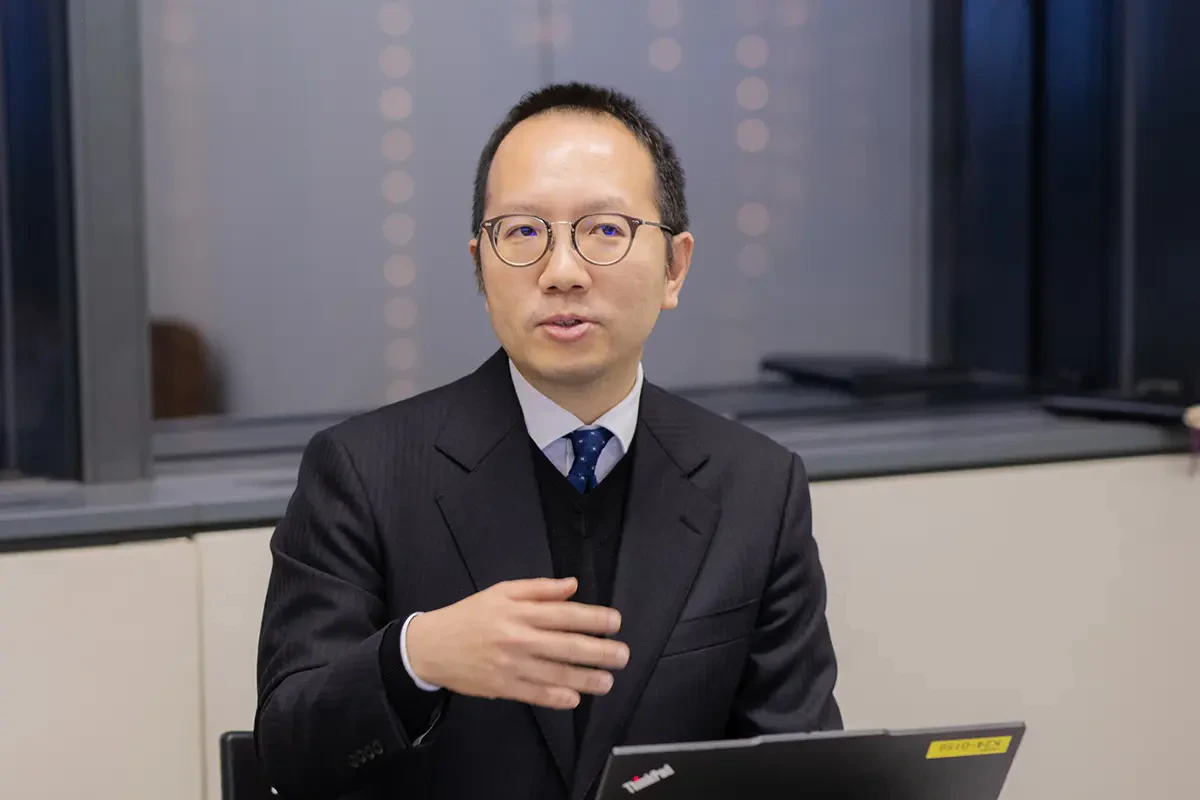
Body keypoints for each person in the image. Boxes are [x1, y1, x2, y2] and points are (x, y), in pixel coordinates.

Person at [255, 82, 842, 800]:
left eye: (605, 230)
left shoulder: (757, 487)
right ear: (481, 264)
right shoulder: (364, 472)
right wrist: (418, 657)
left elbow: (799, 763)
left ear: (675, 267)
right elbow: (286, 751)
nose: (562, 272)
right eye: (524, 233)